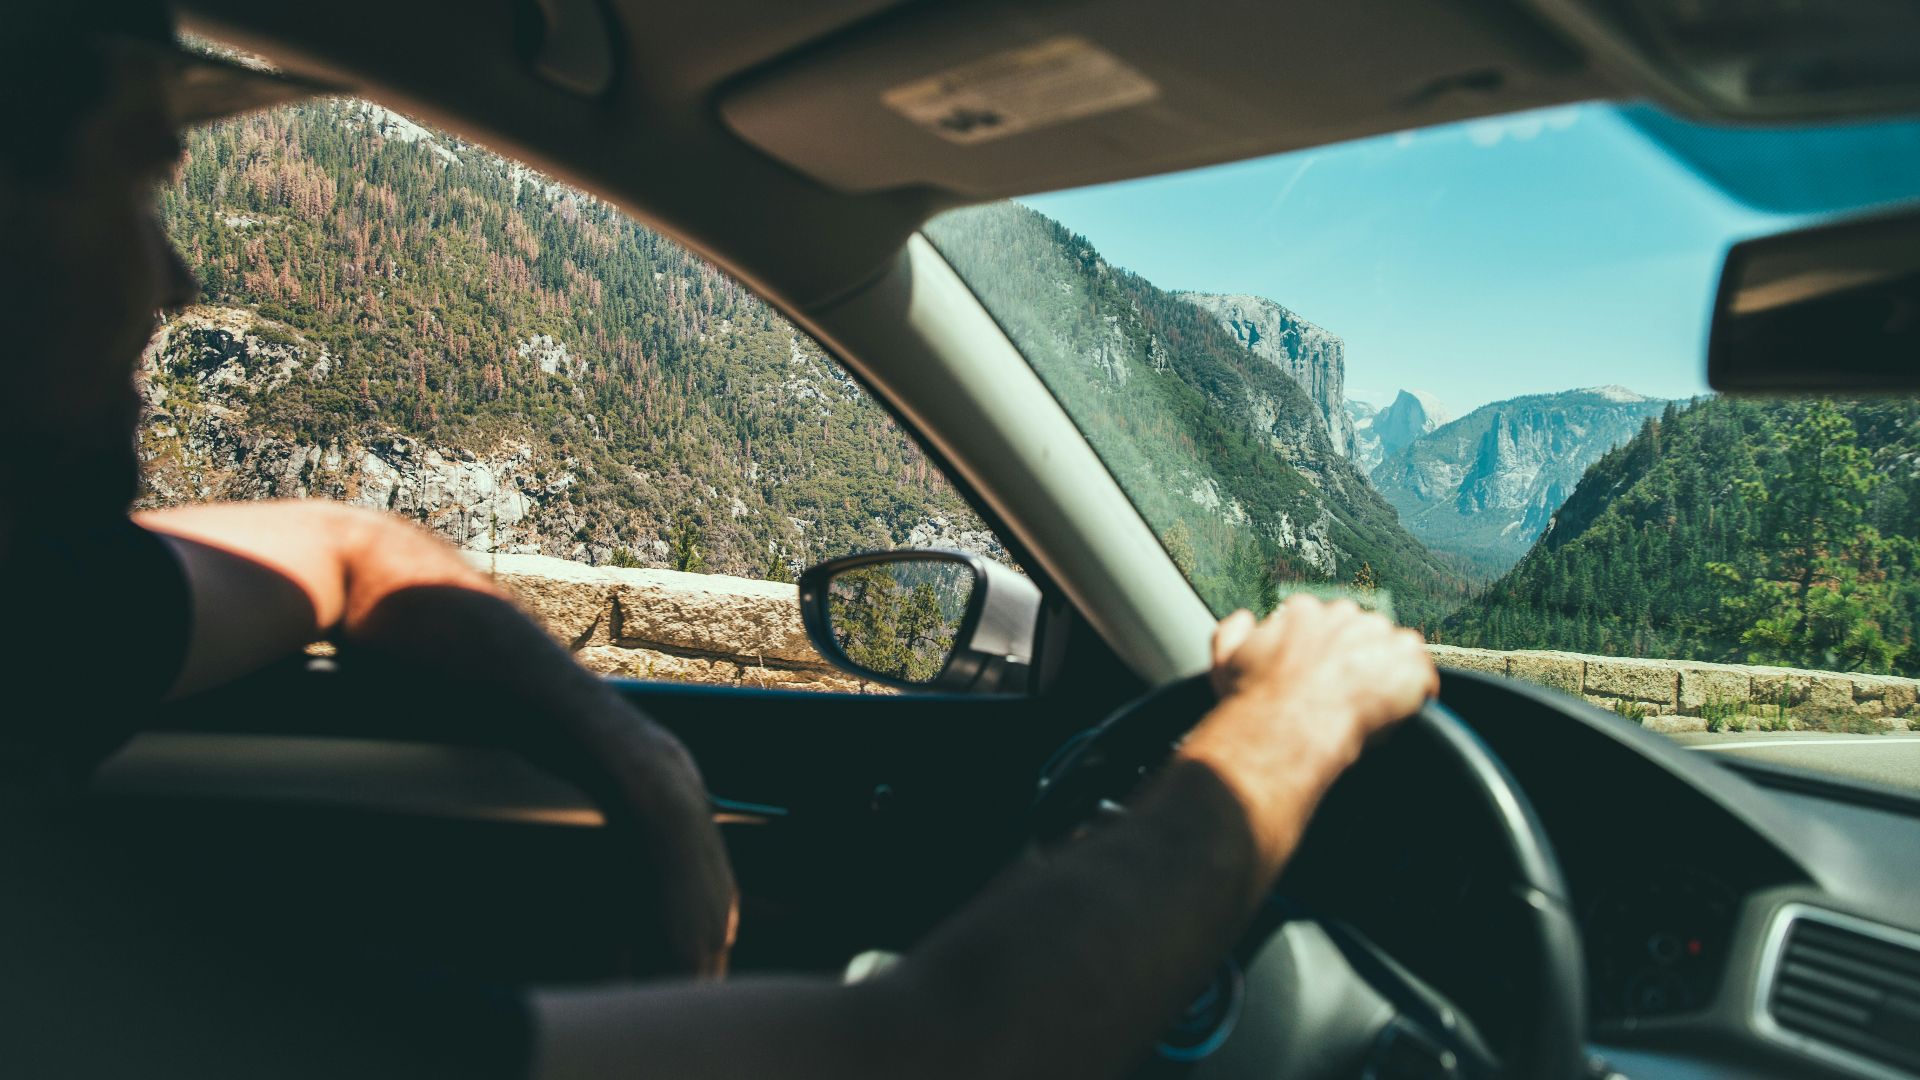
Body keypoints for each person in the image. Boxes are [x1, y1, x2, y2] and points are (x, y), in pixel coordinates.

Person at [0, 3, 1441, 1078]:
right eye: (132, 186)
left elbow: (349, 548)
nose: (173, 276)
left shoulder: (41, 623)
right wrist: (1293, 717)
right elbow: (930, 1051)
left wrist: (647, 760)